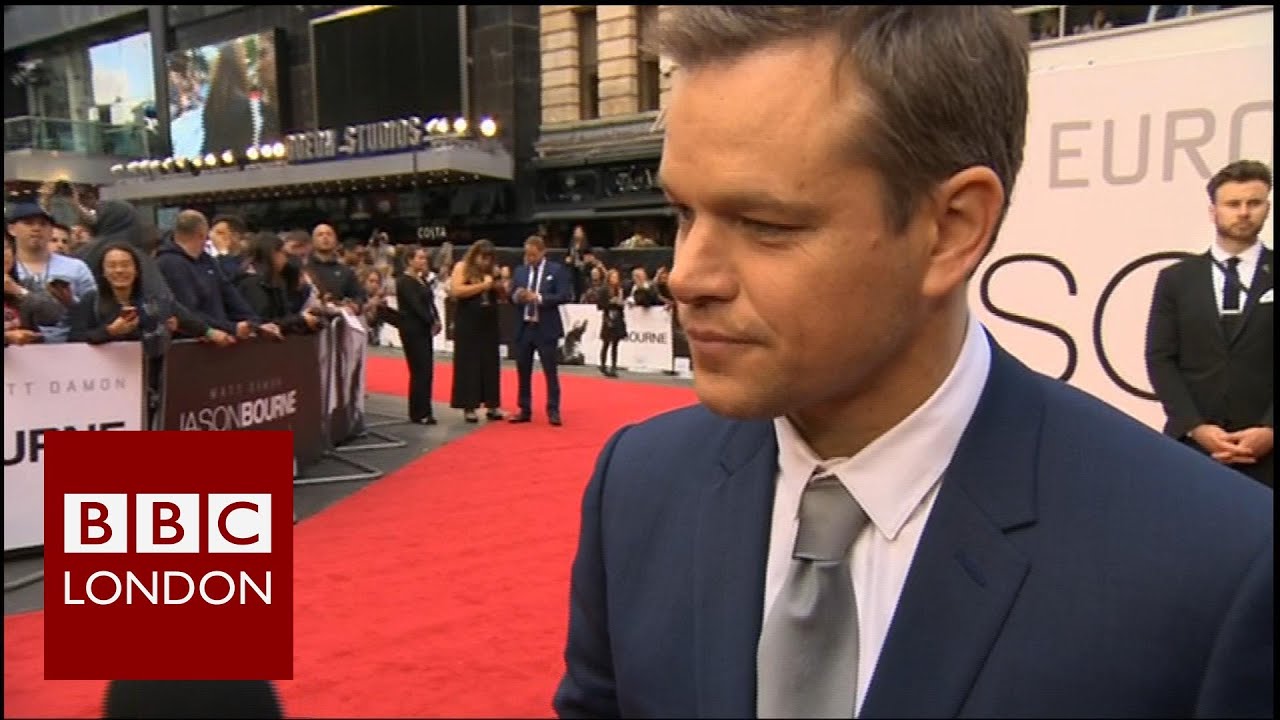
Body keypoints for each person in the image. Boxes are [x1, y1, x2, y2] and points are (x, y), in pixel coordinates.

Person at [554, 7, 1272, 720]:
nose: (686, 275)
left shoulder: (1215, 566)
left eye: (766, 225)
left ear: (952, 229)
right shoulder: (638, 485)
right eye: (683, 213)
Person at [1146, 160, 1273, 488]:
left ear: (1267, 207)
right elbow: (1160, 358)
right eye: (1233, 204)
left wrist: (1270, 429)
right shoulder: (1176, 279)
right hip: (1193, 451)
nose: (1243, 212)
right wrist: (1195, 426)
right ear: (1213, 210)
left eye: (1254, 203)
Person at [509, 235, 573, 427]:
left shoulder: (556, 270)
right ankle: (524, 408)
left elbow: (565, 295)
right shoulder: (520, 271)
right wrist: (517, 296)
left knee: (550, 371)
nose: (530, 258)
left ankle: (553, 409)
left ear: (543, 252)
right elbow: (512, 294)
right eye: (527, 255)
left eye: (533, 255)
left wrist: (538, 298)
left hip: (545, 327)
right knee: (523, 370)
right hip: (524, 326)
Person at [448, 240, 505, 423]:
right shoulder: (462, 267)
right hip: (468, 323)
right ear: (475, 255)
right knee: (468, 364)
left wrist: (499, 283)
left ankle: (492, 404)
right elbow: (456, 291)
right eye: (482, 258)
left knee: (490, 363)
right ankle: (469, 406)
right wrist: (482, 286)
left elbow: (503, 297)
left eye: (489, 258)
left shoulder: (492, 271)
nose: (485, 262)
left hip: (488, 323)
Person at [396, 245, 442, 425]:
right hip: (412, 330)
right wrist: (431, 321)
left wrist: (436, 319)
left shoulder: (422, 280)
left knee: (427, 370)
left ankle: (425, 410)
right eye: (420, 258)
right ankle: (418, 412)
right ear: (410, 260)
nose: (424, 261)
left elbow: (430, 302)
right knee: (420, 370)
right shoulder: (404, 282)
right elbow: (416, 306)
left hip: (423, 329)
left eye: (425, 258)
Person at [595, 268, 626, 377]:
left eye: (616, 277)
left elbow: (622, 306)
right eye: (613, 277)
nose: (615, 279)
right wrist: (610, 302)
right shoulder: (604, 290)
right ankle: (603, 365)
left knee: (615, 344)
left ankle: (614, 366)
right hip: (608, 317)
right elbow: (599, 306)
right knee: (606, 342)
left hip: (618, 317)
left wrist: (620, 303)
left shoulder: (619, 290)